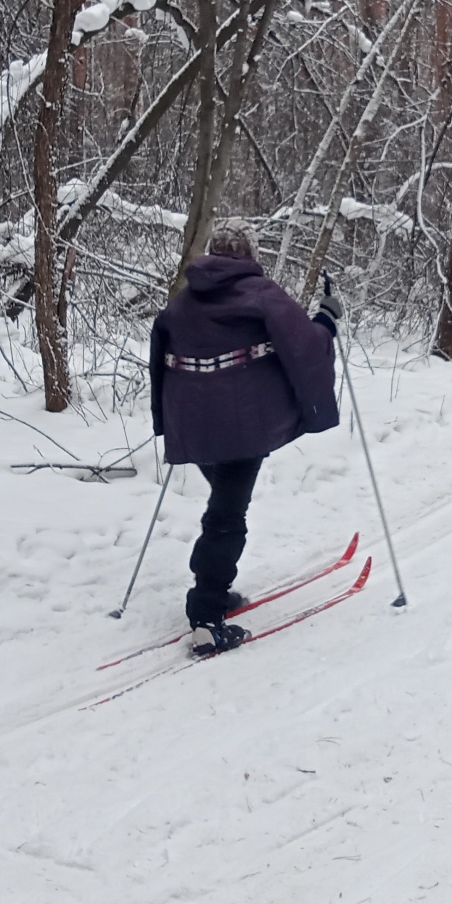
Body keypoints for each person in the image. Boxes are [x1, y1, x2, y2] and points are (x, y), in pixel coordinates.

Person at [150, 221, 344, 653]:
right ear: (250, 254)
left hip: (193, 424)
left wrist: (168, 421)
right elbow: (307, 347)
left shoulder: (184, 302)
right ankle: (205, 617)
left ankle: (215, 591)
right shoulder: (261, 295)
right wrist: (327, 319)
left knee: (224, 502)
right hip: (240, 427)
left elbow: (159, 352)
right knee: (227, 515)